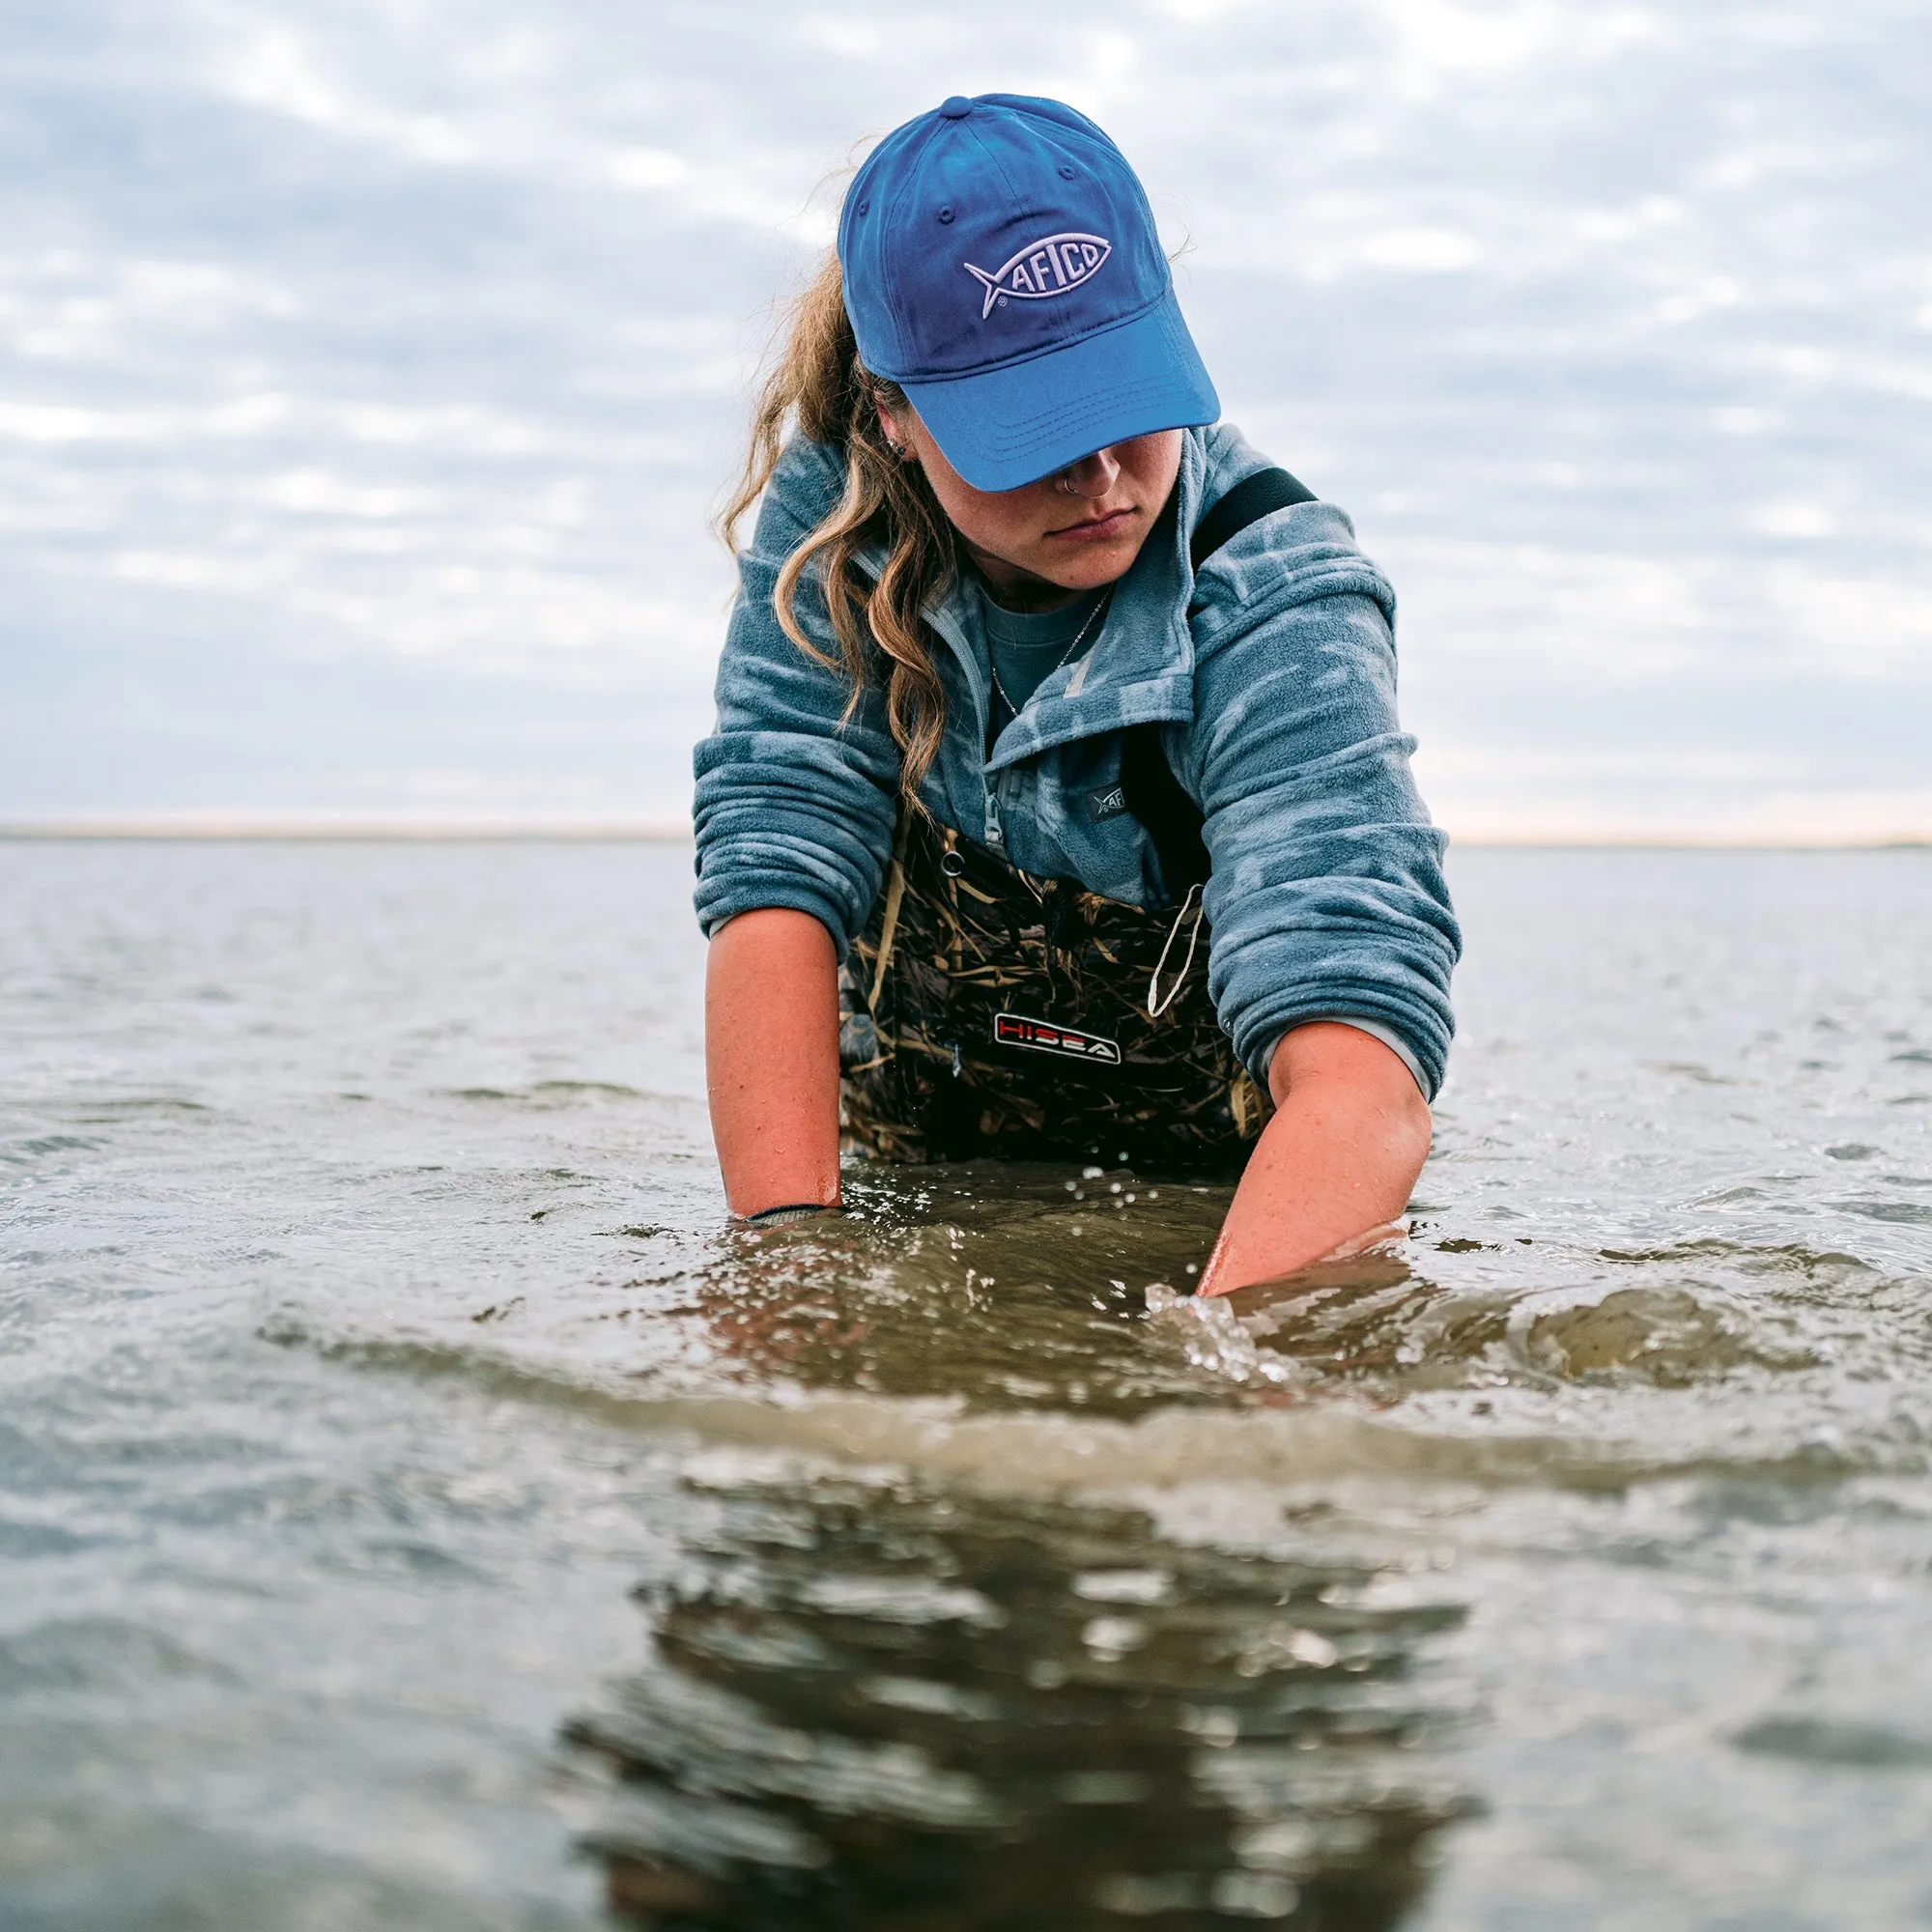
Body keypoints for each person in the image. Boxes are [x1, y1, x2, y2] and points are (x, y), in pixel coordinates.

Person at [694, 94, 1459, 1298]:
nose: (1101, 476)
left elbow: (1359, 1063)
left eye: (1119, 401)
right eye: (1030, 429)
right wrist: (787, 1278)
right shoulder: (828, 537)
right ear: (893, 416)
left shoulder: (1279, 590)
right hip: (916, 1173)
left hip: (1226, 1206)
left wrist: (1218, 1368)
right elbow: (776, 875)